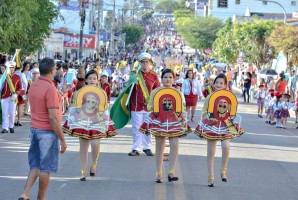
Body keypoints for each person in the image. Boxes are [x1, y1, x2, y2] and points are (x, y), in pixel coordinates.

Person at [19, 57, 71, 200]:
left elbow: (42, 102)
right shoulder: (50, 89)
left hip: (34, 128)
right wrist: (63, 140)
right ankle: (41, 197)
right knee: (46, 168)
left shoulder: (35, 85)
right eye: (55, 68)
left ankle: (25, 193)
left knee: (35, 165)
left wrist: (60, 93)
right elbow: (53, 118)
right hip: (47, 131)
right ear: (52, 71)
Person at [63, 70, 117, 181]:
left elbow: (104, 108)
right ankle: (83, 170)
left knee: (95, 143)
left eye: (94, 78)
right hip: (83, 120)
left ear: (97, 80)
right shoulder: (79, 92)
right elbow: (75, 107)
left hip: (98, 119)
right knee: (83, 145)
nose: (92, 80)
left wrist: (104, 123)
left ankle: (94, 164)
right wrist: (74, 118)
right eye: (90, 78)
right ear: (86, 80)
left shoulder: (101, 92)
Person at [140, 69, 191, 183]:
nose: (168, 79)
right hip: (160, 120)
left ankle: (171, 172)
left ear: (174, 79)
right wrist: (157, 105)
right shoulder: (156, 91)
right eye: (165, 77)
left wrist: (182, 118)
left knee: (175, 144)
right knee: (160, 145)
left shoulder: (178, 92)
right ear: (161, 79)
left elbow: (182, 108)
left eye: (170, 77)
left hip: (174, 120)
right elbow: (149, 107)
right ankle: (158, 173)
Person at [194, 73, 244, 187]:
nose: (218, 85)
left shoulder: (229, 97)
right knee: (211, 151)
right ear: (213, 83)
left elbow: (232, 112)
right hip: (211, 124)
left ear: (225, 85)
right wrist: (208, 117)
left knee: (226, 146)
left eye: (221, 83)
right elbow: (203, 112)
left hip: (225, 124)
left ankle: (223, 171)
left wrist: (228, 115)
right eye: (217, 82)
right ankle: (210, 176)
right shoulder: (209, 97)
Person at [128, 52, 161, 156]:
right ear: (140, 63)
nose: (145, 64)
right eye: (143, 62)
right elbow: (128, 88)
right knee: (136, 127)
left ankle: (147, 147)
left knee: (148, 127)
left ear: (150, 63)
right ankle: (136, 148)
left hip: (148, 106)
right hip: (136, 105)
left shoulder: (154, 76)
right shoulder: (134, 74)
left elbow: (157, 91)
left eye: (147, 62)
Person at [1, 61, 22, 133]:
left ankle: (11, 125)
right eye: (10, 67)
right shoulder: (4, 76)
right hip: (5, 96)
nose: (11, 69)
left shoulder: (18, 77)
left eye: (12, 67)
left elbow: (20, 87)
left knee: (12, 112)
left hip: (13, 97)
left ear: (14, 68)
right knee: (5, 112)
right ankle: (5, 127)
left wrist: (16, 94)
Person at [14, 62, 28, 126]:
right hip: (22, 91)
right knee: (21, 106)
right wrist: (25, 90)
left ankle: (13, 120)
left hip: (14, 91)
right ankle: (19, 121)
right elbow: (25, 83)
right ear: (22, 68)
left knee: (14, 106)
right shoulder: (22, 74)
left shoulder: (13, 74)